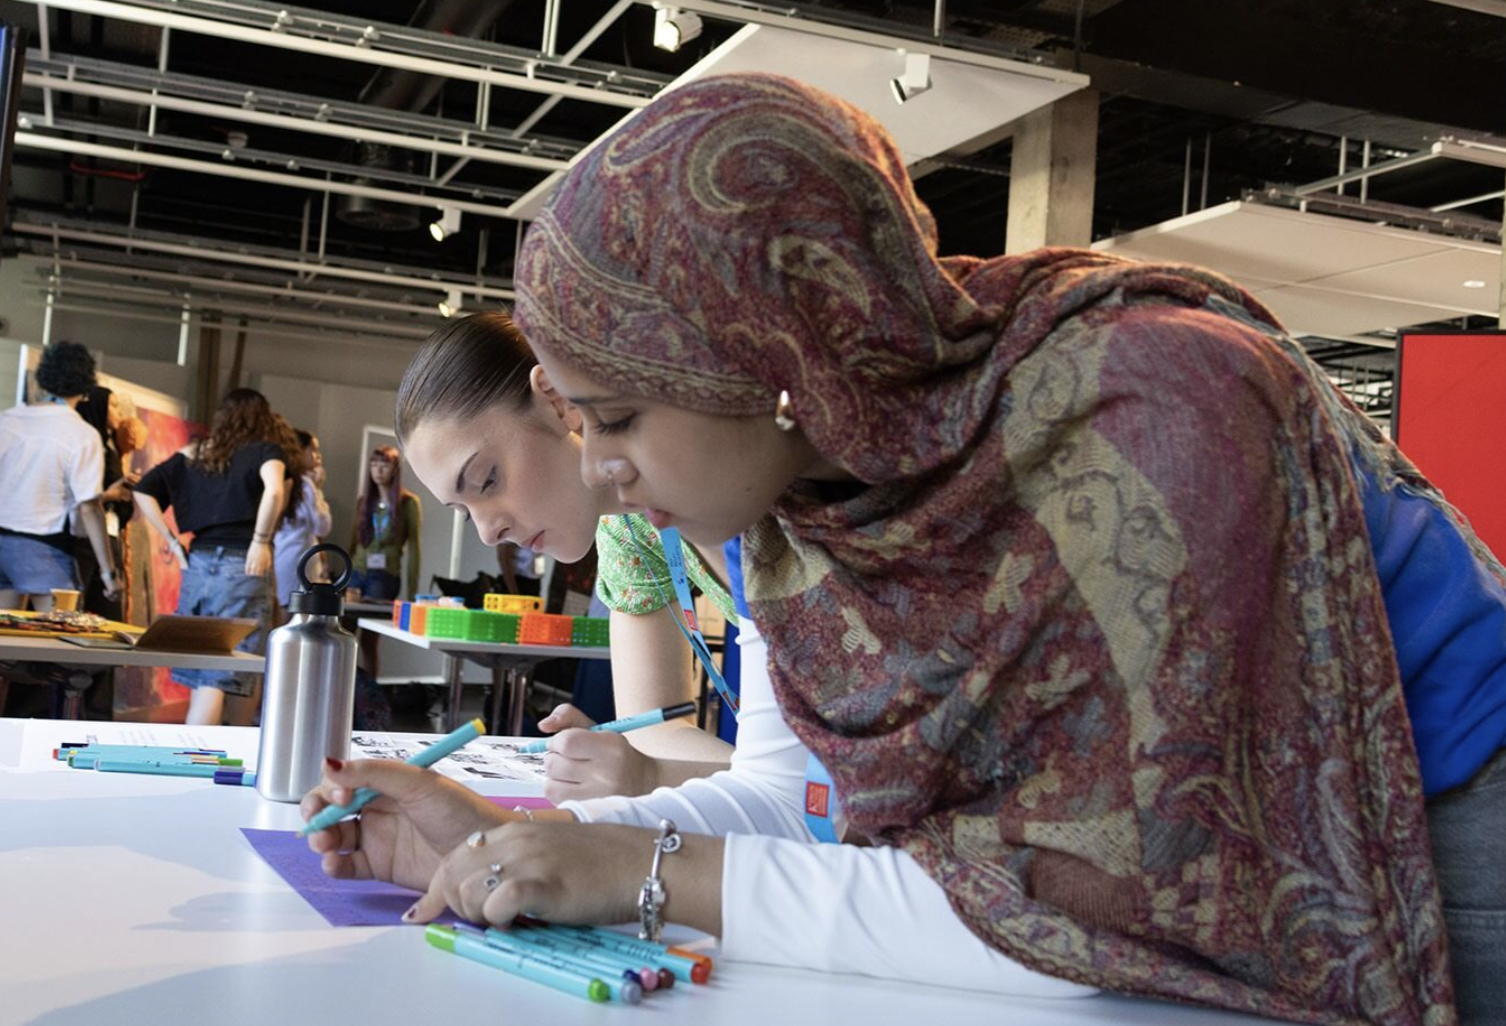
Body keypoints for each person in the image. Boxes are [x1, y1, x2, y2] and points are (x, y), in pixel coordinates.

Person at [304, 76, 1506, 1024]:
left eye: (617, 416)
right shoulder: (804, 510)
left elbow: (1094, 920)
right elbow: (801, 805)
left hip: (1444, 831)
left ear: (770, 354)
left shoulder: (1143, 418)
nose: (604, 469)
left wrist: (645, 871)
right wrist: (532, 849)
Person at [393, 312, 736, 794]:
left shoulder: (732, 483)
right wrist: (633, 765)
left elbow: (816, 783)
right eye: (464, 512)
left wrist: (652, 774)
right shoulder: (626, 531)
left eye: (487, 480)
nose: (489, 533)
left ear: (556, 399)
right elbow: (656, 728)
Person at [133, 388, 291, 725]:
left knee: (209, 663)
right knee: (230, 668)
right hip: (243, 563)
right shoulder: (266, 450)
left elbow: (143, 489)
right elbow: (275, 490)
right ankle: (212, 748)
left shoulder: (195, 453)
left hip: (199, 563)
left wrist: (172, 541)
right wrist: (260, 540)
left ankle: (215, 746)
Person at [0, 341, 119, 611]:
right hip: (45, 546)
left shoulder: (6, 420)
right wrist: (109, 573)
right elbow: (89, 507)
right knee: (61, 632)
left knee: (6, 632)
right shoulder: (82, 434)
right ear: (87, 384)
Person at [72, 386, 138, 621]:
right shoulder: (86, 444)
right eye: (113, 406)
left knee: (107, 613)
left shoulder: (111, 448)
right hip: (83, 536)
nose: (119, 413)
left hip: (108, 532)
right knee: (74, 607)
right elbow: (83, 500)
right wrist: (111, 494)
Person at [348, 446, 421, 603]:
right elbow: (355, 540)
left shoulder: (408, 503)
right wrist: (345, 572)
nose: (378, 470)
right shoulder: (364, 501)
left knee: (371, 618)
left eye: (385, 465)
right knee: (347, 617)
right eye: (374, 465)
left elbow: (414, 549)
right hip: (356, 572)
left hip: (385, 576)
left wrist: (412, 594)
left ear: (395, 470)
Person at [273, 429, 332, 608]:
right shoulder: (305, 484)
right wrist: (318, 489)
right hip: (298, 560)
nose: (317, 456)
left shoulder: (280, 477)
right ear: (300, 451)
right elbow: (322, 527)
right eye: (312, 450)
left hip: (281, 555)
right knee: (294, 614)